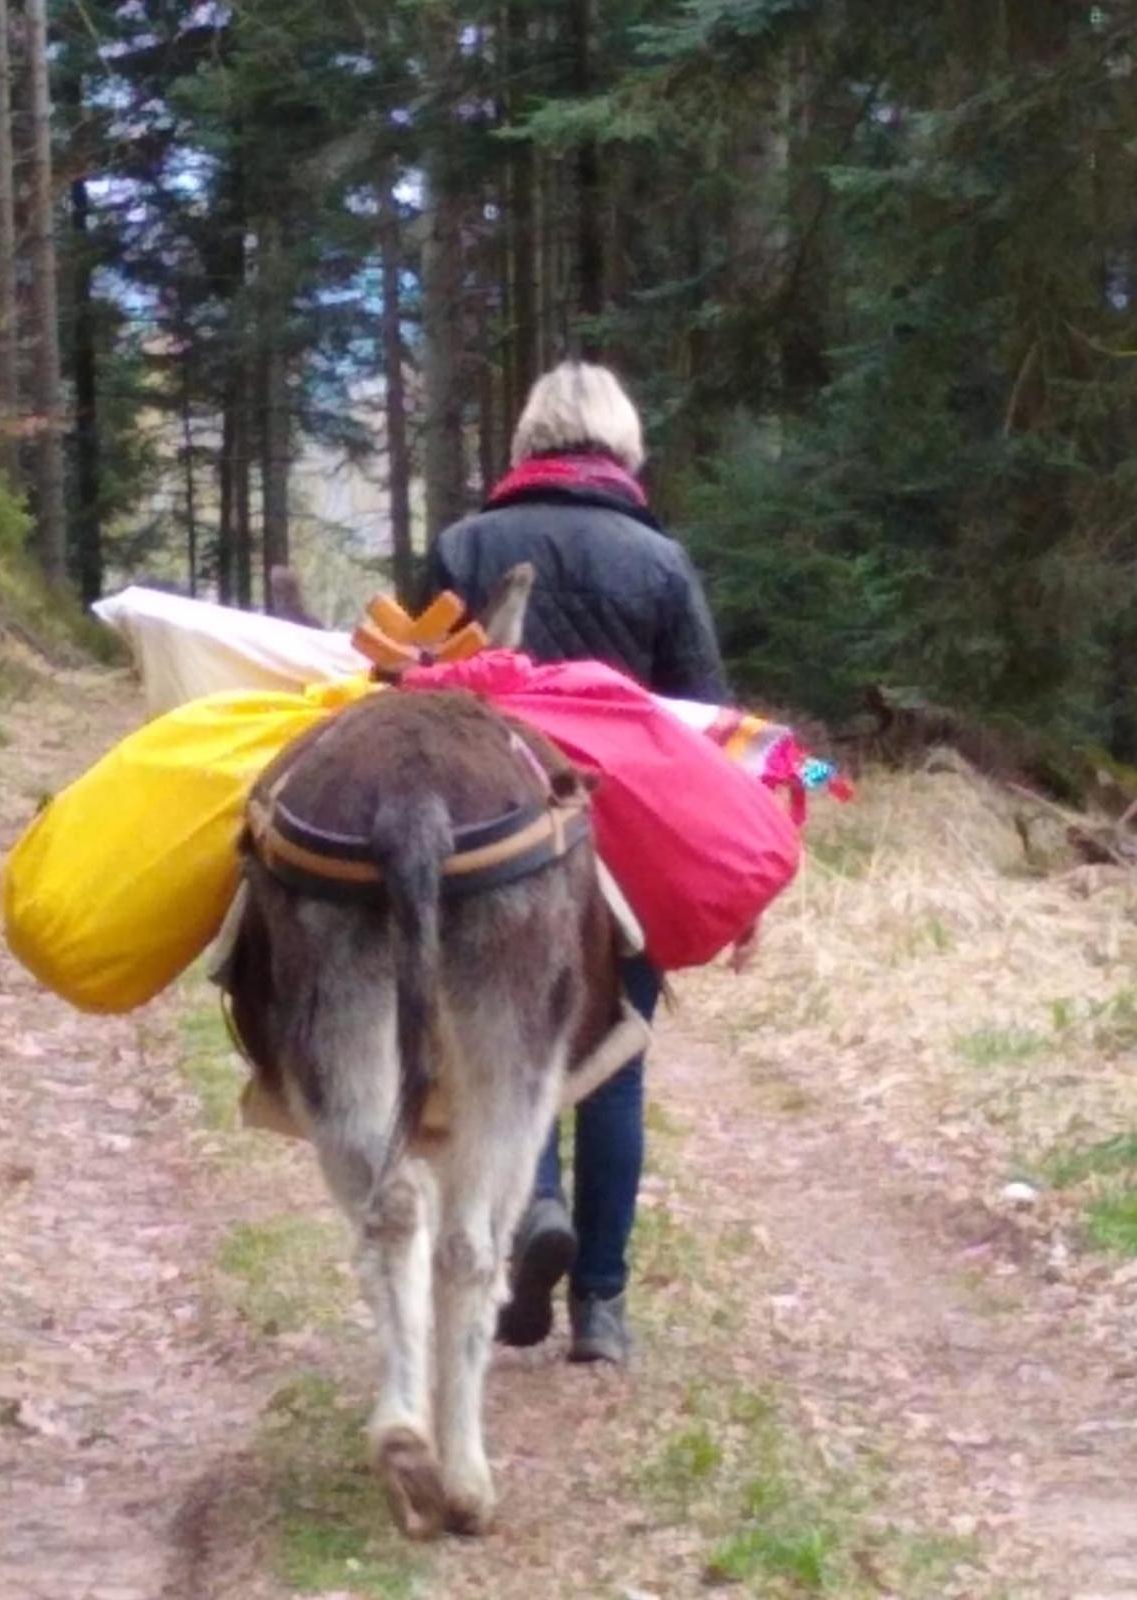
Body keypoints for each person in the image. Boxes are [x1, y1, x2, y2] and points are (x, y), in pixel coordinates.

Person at [424, 360, 727, 1365]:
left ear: (530, 439)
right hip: (619, 846)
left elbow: (414, 698)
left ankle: (535, 1208)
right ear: (621, 444)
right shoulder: (658, 561)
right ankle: (601, 1304)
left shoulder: (466, 545)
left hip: (488, 838)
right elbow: (700, 724)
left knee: (504, 1054)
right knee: (615, 1068)